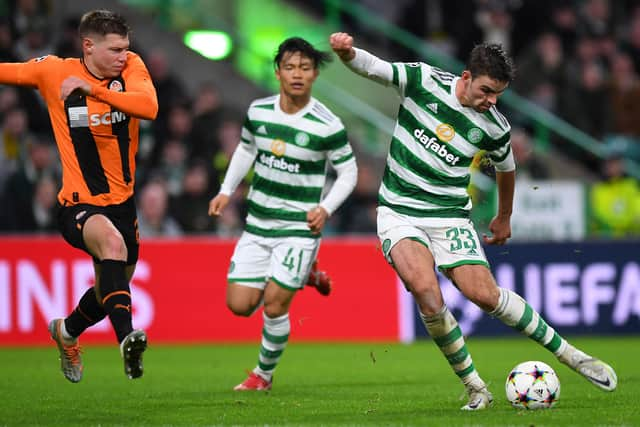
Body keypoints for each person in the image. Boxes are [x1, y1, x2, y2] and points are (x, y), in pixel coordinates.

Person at [329, 31, 617, 410]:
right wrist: (348, 53)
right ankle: (476, 386)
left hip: (450, 216)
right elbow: (374, 68)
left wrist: (504, 217)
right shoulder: (423, 81)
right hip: (399, 210)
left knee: (485, 295)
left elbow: (507, 170)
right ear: (465, 77)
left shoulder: (495, 127)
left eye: (497, 94)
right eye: (485, 91)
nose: (491, 101)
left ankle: (570, 355)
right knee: (427, 293)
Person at [0, 9, 158, 382]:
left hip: (123, 204)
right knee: (112, 246)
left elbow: (149, 107)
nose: (123, 55)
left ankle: (66, 331)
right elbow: (9, 71)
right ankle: (127, 340)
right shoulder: (53, 71)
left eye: (126, 48)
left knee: (110, 291)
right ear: (88, 46)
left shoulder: (132, 68)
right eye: (115, 49)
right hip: (78, 203)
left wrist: (94, 90)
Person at [208, 37, 357, 390]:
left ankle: (263, 375)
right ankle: (304, 274)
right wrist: (225, 191)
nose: (297, 74)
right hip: (258, 225)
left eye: (305, 68)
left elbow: (349, 172)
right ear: (278, 73)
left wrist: (326, 207)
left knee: (274, 306)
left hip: (299, 229)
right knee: (239, 305)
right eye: (290, 67)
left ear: (315, 74)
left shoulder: (327, 124)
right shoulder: (258, 112)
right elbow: (245, 150)